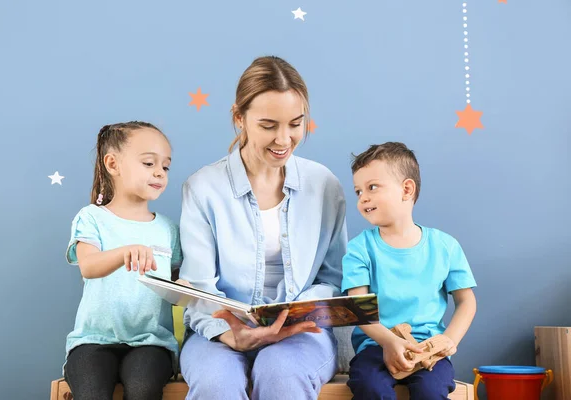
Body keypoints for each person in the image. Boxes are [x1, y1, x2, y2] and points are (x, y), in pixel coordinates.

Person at [178, 56, 348, 400]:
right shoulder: (202, 188)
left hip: (303, 333)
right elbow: (198, 289)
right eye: (268, 125)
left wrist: (293, 317)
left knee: (281, 375)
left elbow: (333, 279)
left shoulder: (324, 185)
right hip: (219, 330)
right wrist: (230, 334)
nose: (284, 139)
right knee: (215, 383)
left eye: (296, 124)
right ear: (239, 119)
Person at [342, 142, 477, 400]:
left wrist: (449, 340)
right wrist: (389, 342)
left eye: (372, 187)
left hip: (428, 348)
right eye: (358, 191)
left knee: (431, 390)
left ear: (406, 189)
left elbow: (466, 301)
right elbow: (357, 307)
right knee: (369, 387)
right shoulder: (359, 248)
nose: (363, 198)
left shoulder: (445, 246)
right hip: (376, 347)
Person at [63, 121, 183, 400]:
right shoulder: (92, 218)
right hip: (93, 341)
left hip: (151, 343)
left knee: (143, 389)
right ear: (113, 164)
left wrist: (185, 285)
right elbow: (89, 266)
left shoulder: (168, 229)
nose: (159, 173)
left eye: (165, 167)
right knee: (92, 393)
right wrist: (123, 252)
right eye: (148, 163)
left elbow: (177, 280)